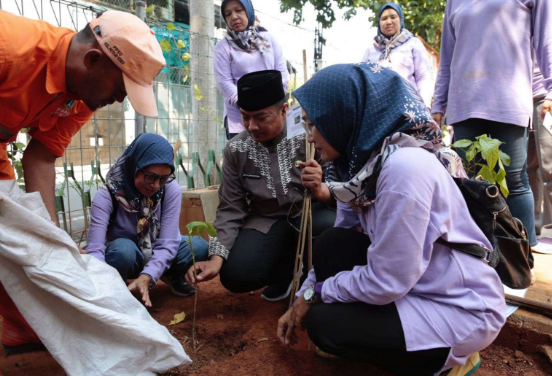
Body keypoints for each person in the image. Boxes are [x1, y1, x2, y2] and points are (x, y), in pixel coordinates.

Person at [277, 63, 506, 376]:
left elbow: (388, 281)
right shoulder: (358, 170)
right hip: (420, 282)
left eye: (315, 125)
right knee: (331, 244)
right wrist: (305, 294)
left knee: (324, 326)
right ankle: (383, 338)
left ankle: (450, 358)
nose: (311, 137)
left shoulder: (404, 170)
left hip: (458, 306)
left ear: (345, 116)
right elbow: (344, 238)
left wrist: (316, 296)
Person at [0, 10, 165, 354]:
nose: (119, 100)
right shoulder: (10, 49)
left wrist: (53, 242)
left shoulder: (83, 94)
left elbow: (41, 156)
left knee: (21, 237)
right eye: (121, 89)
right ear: (92, 60)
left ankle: (22, 327)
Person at [185, 70, 336, 301]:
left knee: (329, 226)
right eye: (245, 117)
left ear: (284, 111)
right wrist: (216, 259)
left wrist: (320, 188)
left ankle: (316, 284)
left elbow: (340, 191)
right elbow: (230, 208)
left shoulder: (309, 137)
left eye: (261, 117)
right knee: (235, 275)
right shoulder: (236, 149)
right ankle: (285, 274)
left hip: (311, 215)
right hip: (266, 222)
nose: (252, 126)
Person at [432, 0, 552, 253]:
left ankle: (522, 258)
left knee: (515, 181)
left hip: (507, 100)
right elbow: (447, 58)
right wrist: (438, 105)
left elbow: (547, 40)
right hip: (464, 102)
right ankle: (473, 256)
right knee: (466, 183)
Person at [84, 133, 209, 305]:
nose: (156, 185)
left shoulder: (170, 190)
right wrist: (99, 285)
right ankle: (116, 291)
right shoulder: (107, 196)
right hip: (126, 258)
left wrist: (148, 276)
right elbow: (95, 250)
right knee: (123, 250)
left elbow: (168, 242)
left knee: (198, 247)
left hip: (156, 250)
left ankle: (172, 277)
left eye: (164, 178)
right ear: (134, 167)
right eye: (150, 177)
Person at [215, 0, 289, 140]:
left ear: (248, 11)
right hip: (241, 121)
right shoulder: (223, 47)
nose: (234, 17)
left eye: (238, 10)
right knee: (244, 160)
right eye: (228, 13)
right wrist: (250, 104)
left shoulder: (268, 39)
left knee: (276, 159)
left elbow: (282, 75)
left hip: (271, 117)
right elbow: (224, 83)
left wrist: (269, 103)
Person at [361, 2, 433, 108]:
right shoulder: (371, 49)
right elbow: (362, 80)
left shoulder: (413, 43)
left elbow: (423, 77)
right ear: (379, 23)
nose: (388, 21)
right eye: (384, 18)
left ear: (400, 20)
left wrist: (425, 106)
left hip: (409, 107)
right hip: (378, 108)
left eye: (393, 17)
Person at [527, 62, 552, 254]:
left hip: (546, 97)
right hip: (520, 98)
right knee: (528, 168)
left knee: (549, 166)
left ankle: (551, 232)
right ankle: (534, 228)